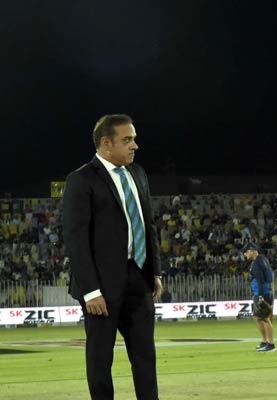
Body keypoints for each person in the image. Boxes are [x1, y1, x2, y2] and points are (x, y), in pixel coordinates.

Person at [63, 114, 163, 400]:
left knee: (146, 357)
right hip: (101, 288)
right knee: (100, 360)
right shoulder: (81, 179)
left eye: (134, 138)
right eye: (127, 140)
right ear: (106, 143)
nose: (135, 146)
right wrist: (90, 290)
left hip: (139, 278)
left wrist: (155, 271)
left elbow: (148, 224)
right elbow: (76, 239)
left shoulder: (138, 174)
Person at [243, 242, 275, 352]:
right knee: (258, 318)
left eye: (246, 252)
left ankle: (270, 344)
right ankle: (265, 341)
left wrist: (261, 296)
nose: (245, 255)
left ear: (252, 251)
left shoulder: (256, 263)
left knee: (264, 319)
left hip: (261, 293)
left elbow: (260, 280)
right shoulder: (263, 260)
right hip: (266, 292)